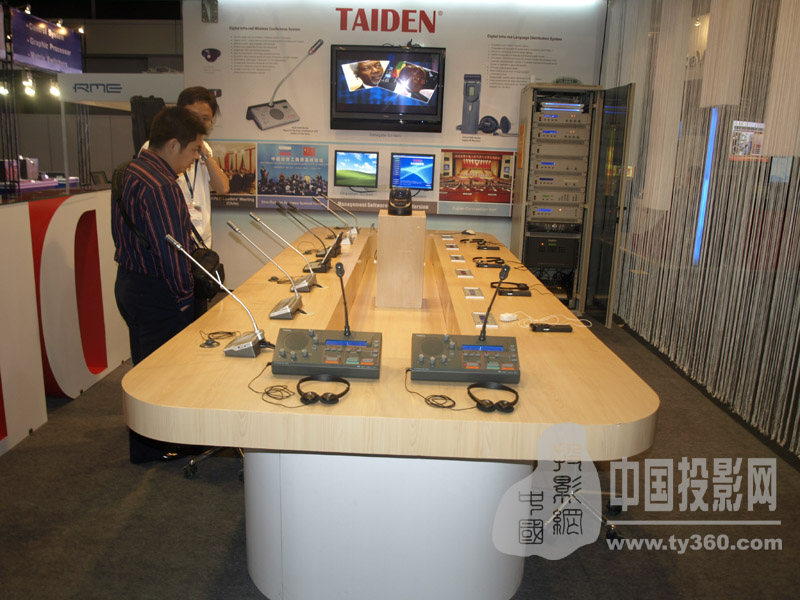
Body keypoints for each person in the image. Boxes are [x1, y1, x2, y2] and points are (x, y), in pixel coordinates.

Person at [112, 105, 208, 463]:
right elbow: (172, 251)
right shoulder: (162, 186)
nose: (194, 158)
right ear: (172, 145)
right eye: (194, 149)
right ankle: (159, 445)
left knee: (144, 369)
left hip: (130, 281)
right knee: (164, 373)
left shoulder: (128, 170)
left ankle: (147, 443)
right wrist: (184, 299)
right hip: (158, 291)